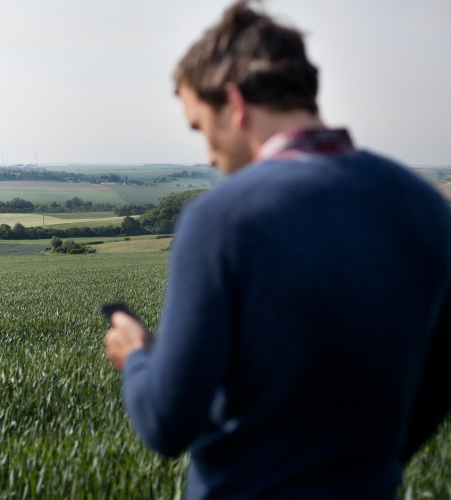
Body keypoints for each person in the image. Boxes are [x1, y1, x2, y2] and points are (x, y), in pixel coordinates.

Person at [103, 1, 451, 498]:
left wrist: (136, 355)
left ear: (235, 104)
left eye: (202, 127)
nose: (207, 154)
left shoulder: (221, 219)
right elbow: (437, 387)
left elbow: (166, 423)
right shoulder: (425, 207)